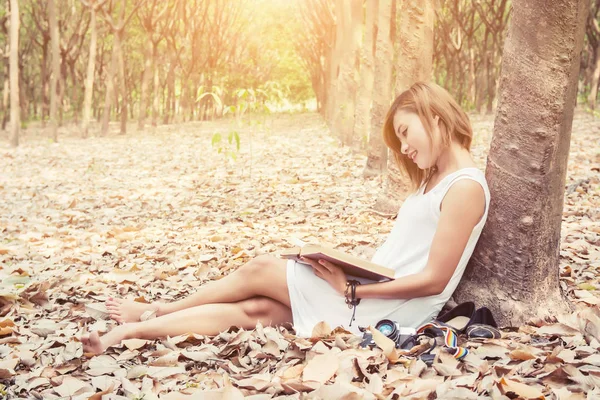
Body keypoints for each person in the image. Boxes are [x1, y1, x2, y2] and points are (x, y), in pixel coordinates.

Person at [82, 82, 489, 354]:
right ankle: (131, 331)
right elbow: (405, 256)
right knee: (255, 311)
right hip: (370, 292)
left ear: (435, 117)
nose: (403, 148)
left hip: (382, 310)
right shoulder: (436, 181)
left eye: (404, 132)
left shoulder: (465, 187)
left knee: (260, 269)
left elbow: (434, 280)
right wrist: (350, 267)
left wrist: (351, 290)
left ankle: (156, 308)